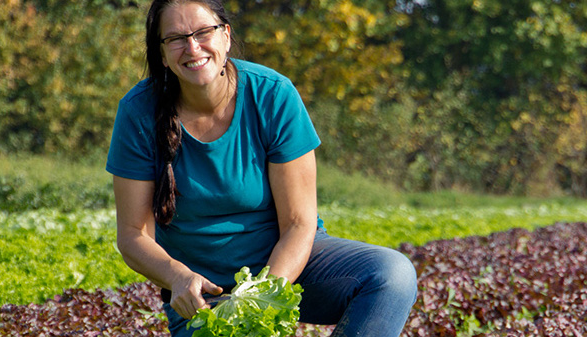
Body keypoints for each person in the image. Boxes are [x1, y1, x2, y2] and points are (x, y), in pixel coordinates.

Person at [105, 1, 419, 336]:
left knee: (392, 275)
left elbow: (300, 224)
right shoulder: (138, 112)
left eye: (202, 32)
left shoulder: (272, 95)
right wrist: (177, 277)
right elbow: (133, 236)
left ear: (225, 35)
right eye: (177, 38)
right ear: (163, 53)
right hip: (201, 295)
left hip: (290, 268)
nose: (193, 47)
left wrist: (259, 298)